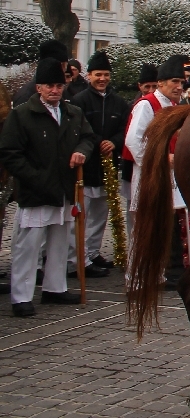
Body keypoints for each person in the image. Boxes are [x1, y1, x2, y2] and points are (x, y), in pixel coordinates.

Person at [0, 57, 96, 316]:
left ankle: (55, 288)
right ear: (39, 88)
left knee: (60, 240)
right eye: (49, 86)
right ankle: (21, 296)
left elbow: (88, 138)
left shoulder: (73, 112)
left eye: (58, 85)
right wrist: (35, 178)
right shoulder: (22, 114)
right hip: (36, 190)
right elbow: (10, 152)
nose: (55, 90)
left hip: (65, 188)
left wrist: (81, 151)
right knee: (28, 246)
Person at [65, 50, 129, 277]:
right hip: (86, 167)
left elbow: (125, 130)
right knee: (80, 217)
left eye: (106, 75)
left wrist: (114, 142)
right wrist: (96, 142)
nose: (102, 79)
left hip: (108, 169)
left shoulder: (119, 102)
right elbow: (77, 131)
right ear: (89, 75)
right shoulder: (79, 101)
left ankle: (92, 253)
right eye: (98, 74)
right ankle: (75, 260)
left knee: (100, 216)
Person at [124, 55, 188, 260]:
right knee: (145, 228)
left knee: (161, 227)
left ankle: (157, 272)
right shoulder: (146, 105)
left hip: (168, 176)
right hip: (149, 173)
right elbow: (134, 141)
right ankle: (137, 277)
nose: (179, 87)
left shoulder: (174, 106)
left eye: (181, 82)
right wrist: (161, 159)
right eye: (174, 82)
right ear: (160, 83)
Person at [12, 39, 70, 106]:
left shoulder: (64, 93)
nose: (64, 70)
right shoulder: (26, 96)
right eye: (62, 66)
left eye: (65, 66)